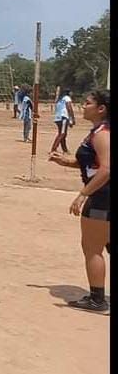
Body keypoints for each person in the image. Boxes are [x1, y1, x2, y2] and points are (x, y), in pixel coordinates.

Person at [48, 90, 110, 312]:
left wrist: (84, 193)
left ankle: (97, 300)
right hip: (103, 194)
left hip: (102, 197)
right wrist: (67, 162)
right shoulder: (98, 132)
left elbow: (106, 169)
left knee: (92, 248)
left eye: (88, 103)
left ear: (101, 109)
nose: (83, 106)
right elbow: (92, 162)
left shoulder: (102, 133)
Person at [50, 88, 75, 153]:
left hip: (57, 117)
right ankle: (53, 149)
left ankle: (65, 150)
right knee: (62, 134)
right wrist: (72, 118)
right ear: (68, 93)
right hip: (63, 117)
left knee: (62, 134)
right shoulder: (67, 98)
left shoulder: (60, 100)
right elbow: (69, 108)